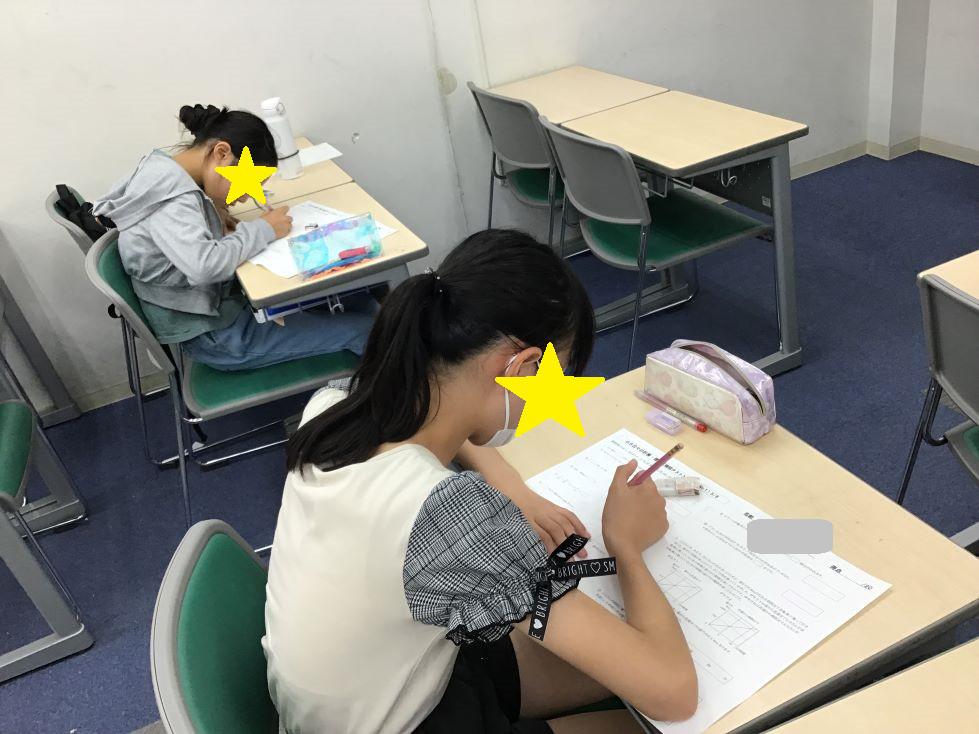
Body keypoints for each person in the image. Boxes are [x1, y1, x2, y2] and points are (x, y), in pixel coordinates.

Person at [263, 229, 697, 734]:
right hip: (402, 721)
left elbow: (453, 439)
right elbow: (674, 693)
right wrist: (626, 546)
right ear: (522, 366)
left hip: (356, 692)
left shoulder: (335, 405)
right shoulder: (449, 519)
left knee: (601, 663)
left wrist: (511, 486)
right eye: (553, 379)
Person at [93, 104, 373, 371]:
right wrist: (263, 229)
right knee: (369, 330)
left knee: (357, 298)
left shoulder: (163, 168)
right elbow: (204, 266)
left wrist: (213, 209)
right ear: (221, 153)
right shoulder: (171, 201)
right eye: (248, 182)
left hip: (213, 312)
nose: (246, 196)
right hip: (218, 336)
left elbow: (181, 225)